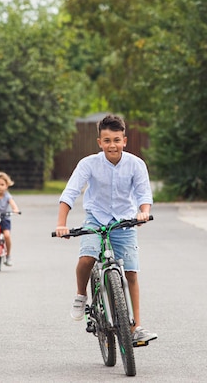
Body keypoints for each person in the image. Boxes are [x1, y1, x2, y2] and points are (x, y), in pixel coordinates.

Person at [54, 114, 157, 345]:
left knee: (131, 273)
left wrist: (143, 211)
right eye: (107, 140)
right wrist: (61, 224)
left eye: (117, 140)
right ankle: (81, 294)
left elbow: (143, 194)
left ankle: (135, 327)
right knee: (87, 258)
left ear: (125, 141)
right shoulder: (88, 164)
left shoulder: (136, 164)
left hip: (124, 221)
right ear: (100, 142)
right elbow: (70, 193)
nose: (113, 145)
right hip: (96, 219)